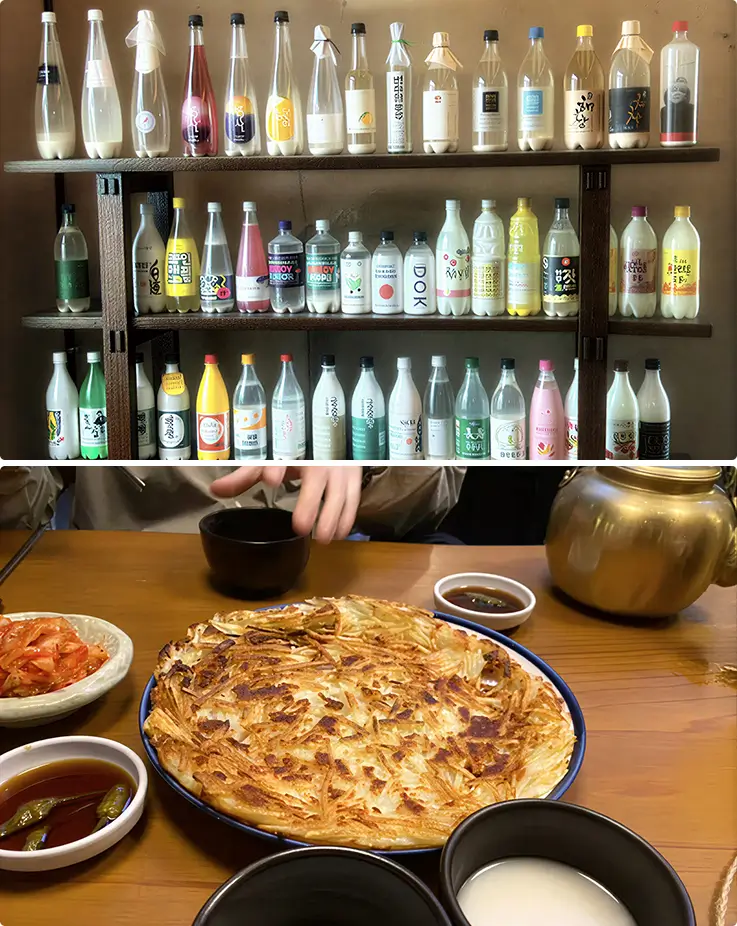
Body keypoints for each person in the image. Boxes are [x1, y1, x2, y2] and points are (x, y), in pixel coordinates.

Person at [0, 465, 465, 543]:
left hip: (322, 578)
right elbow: (20, 516)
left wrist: (366, 448)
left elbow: (434, 498)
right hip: (127, 577)